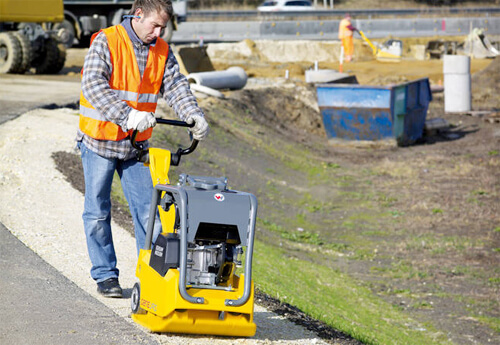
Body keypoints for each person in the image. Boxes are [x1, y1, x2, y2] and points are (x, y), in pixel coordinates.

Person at [77, 0, 209, 298]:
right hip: (99, 140)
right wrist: (128, 115)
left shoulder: (162, 50)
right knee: (97, 211)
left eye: (164, 27)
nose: (160, 32)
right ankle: (106, 276)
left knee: (150, 212)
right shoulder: (107, 40)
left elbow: (175, 86)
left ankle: (149, 277)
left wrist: (193, 115)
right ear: (138, 16)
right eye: (155, 25)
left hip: (135, 146)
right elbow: (93, 85)